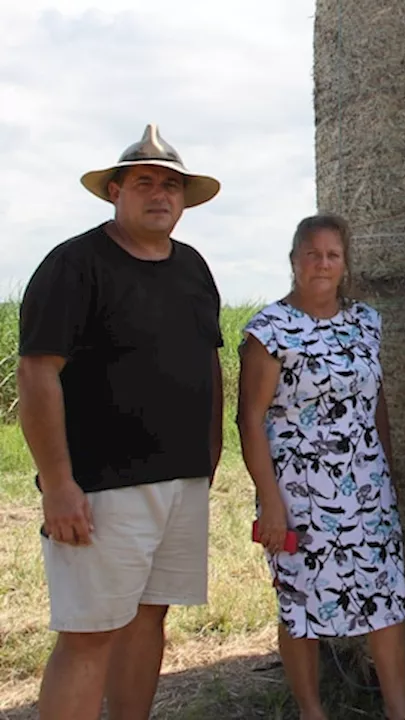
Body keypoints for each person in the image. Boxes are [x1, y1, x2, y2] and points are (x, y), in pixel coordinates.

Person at [18, 125, 223, 720]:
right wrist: (58, 484)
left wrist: (206, 461)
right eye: (144, 183)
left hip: (182, 483)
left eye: (171, 185)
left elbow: (208, 363)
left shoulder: (193, 268)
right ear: (115, 192)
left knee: (148, 617)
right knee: (89, 634)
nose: (160, 195)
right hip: (100, 489)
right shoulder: (74, 265)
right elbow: (36, 375)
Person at [238, 215, 405, 720]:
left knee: (385, 600)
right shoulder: (270, 330)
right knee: (300, 607)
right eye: (311, 254)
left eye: (332, 254)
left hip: (367, 490)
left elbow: (375, 401)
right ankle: (311, 712)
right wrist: (270, 502)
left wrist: (389, 472)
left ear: (345, 264)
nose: (322, 263)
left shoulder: (365, 322)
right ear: (294, 262)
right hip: (298, 495)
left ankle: (399, 712)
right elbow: (249, 420)